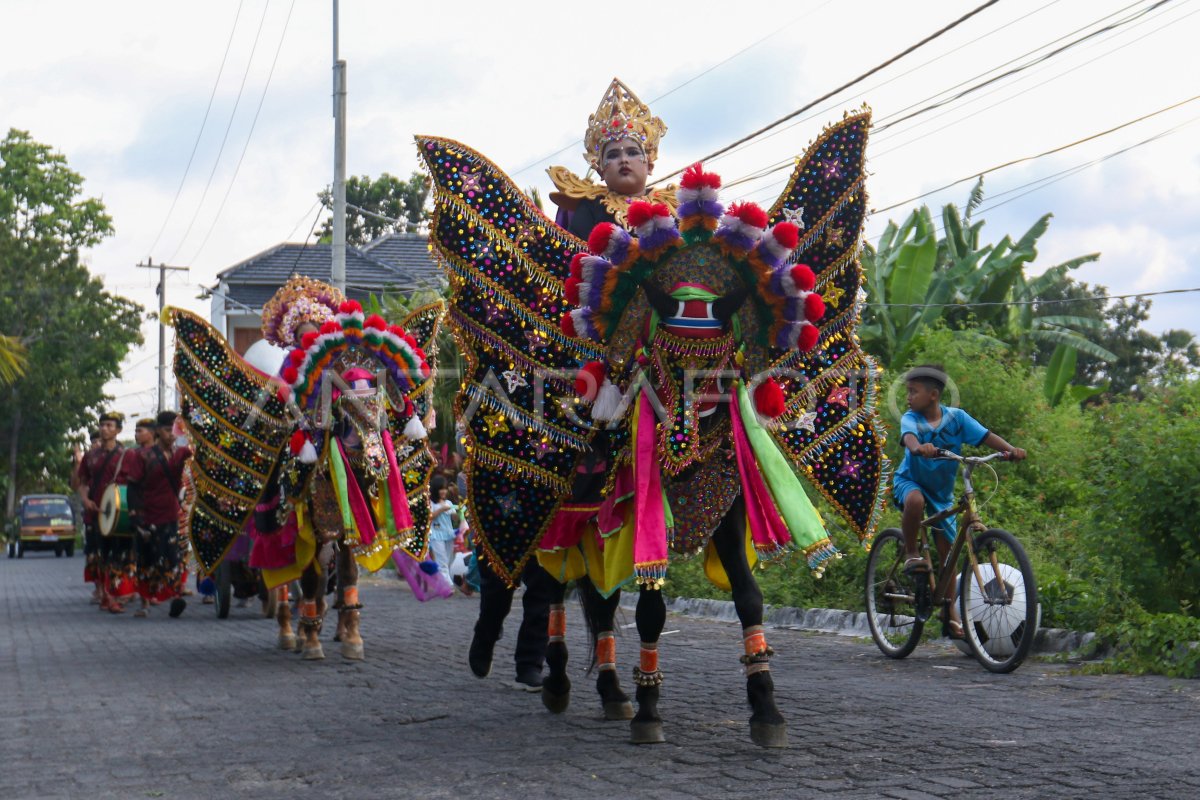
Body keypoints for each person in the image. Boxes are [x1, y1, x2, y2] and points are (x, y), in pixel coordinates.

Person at [893, 365, 1027, 637]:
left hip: (941, 493)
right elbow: (908, 438)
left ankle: (948, 609)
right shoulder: (911, 418)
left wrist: (1010, 450)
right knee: (916, 502)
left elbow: (986, 436)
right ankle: (911, 552)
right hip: (911, 480)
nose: (908, 397)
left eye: (913, 392)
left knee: (948, 553)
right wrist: (918, 448)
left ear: (933, 395)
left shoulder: (957, 419)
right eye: (907, 391)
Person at [124, 411, 192, 618]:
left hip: (171, 515)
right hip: (147, 515)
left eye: (175, 429)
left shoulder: (181, 453)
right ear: (157, 432)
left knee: (172, 559)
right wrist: (135, 516)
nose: (171, 434)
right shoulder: (143, 456)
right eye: (166, 429)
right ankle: (144, 604)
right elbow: (133, 486)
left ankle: (175, 598)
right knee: (146, 559)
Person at [75, 411, 137, 612]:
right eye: (102, 425)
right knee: (101, 555)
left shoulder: (128, 455)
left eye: (110, 425)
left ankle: (115, 595)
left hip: (120, 516)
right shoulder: (90, 456)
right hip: (96, 514)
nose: (104, 429)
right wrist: (86, 500)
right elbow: (82, 483)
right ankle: (107, 596)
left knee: (120, 555)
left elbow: (136, 484)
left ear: (118, 430)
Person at [427, 476, 458, 584]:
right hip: (436, 535)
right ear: (436, 490)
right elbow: (429, 516)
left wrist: (459, 512)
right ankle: (447, 585)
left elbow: (455, 518)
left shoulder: (448, 503)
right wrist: (441, 509)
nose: (443, 491)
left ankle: (441, 580)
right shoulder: (431, 504)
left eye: (445, 488)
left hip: (449, 534)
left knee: (449, 560)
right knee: (442, 561)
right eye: (441, 489)